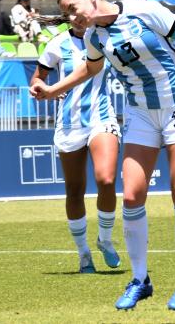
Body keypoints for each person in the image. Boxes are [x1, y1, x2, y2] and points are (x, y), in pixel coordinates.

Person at [30, 0, 175, 312]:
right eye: (66, 13)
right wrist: (53, 90)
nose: (72, 17)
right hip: (140, 113)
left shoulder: (144, 11)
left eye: (73, 8)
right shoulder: (95, 37)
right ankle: (140, 279)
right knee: (130, 196)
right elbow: (89, 68)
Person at [30, 23, 122, 274]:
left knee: (106, 179)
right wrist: (38, 86)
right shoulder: (57, 43)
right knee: (74, 190)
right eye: (71, 12)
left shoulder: (106, 38)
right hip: (69, 124)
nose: (78, 17)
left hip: (101, 117)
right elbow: (38, 77)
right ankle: (84, 255)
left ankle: (104, 239)